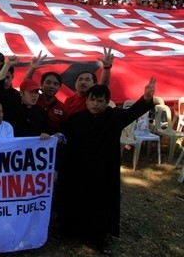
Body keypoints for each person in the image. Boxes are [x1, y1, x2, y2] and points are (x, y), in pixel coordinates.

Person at [57, 78, 156, 255]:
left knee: (99, 203)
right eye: (92, 100)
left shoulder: (114, 117)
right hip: (79, 168)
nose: (95, 104)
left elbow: (133, 112)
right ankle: (71, 231)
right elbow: (64, 134)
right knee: (75, 198)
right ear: (86, 101)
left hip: (103, 170)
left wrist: (146, 98)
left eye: (100, 100)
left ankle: (97, 237)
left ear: (106, 102)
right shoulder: (76, 118)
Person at [63, 47, 113, 115]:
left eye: (87, 80)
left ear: (94, 84)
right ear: (75, 84)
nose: (83, 82)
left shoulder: (94, 98)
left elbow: (103, 84)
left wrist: (106, 67)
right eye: (80, 79)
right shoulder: (69, 100)